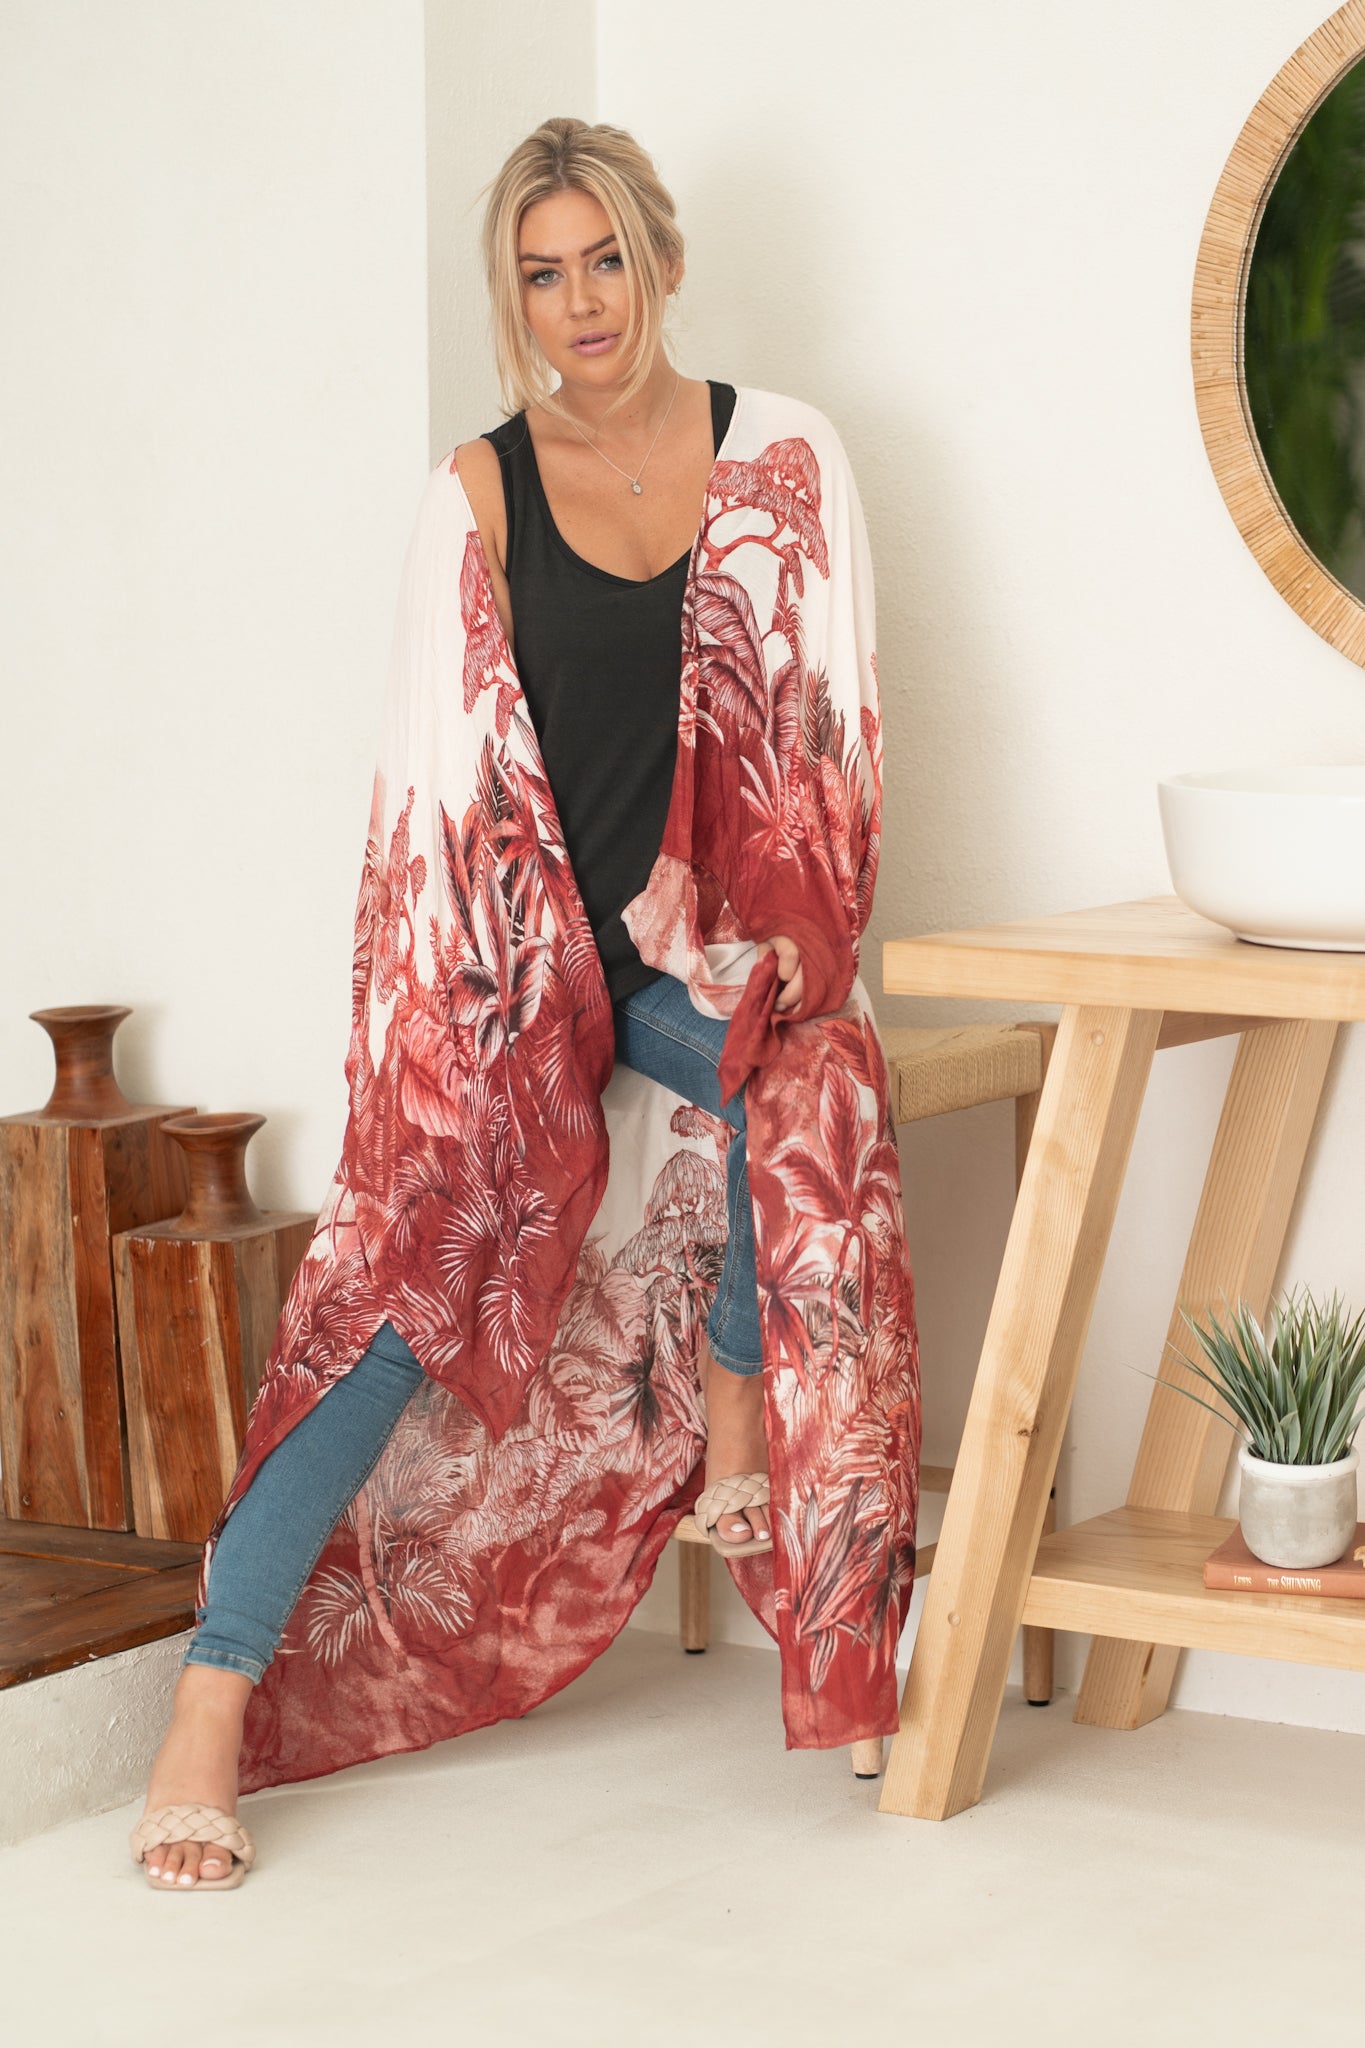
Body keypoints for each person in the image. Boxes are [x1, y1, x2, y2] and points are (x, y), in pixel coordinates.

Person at [130, 116, 917, 1892]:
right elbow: (434, 801)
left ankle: (766, 1496)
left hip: (705, 962)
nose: (577, 303)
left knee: (815, 1087)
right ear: (513, 297)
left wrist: (783, 939)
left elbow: (827, 744)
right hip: (512, 971)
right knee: (423, 1269)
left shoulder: (782, 456)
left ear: (661, 259)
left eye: (603, 261)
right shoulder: (475, 492)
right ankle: (214, 1695)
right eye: (539, 274)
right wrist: (512, 1022)